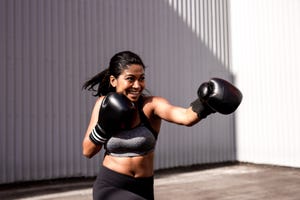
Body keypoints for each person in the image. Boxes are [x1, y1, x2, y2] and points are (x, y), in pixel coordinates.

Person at [82, 51, 242, 200]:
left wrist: (205, 104)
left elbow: (185, 117)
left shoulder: (152, 105)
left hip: (144, 188)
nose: (137, 85)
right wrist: (104, 125)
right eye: (130, 79)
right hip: (111, 186)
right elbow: (88, 151)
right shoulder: (102, 105)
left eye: (142, 78)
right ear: (113, 80)